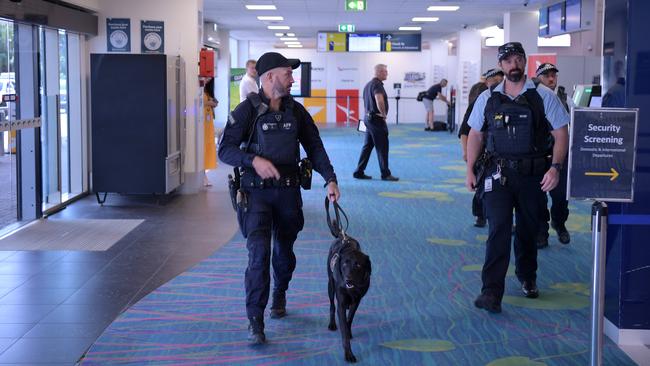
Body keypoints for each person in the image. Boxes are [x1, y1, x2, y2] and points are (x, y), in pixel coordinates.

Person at [218, 52, 340, 344]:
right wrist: (252, 160)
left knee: (284, 254)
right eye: (288, 73)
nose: (293, 78)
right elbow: (225, 150)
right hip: (255, 194)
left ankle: (280, 292)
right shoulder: (246, 110)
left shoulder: (296, 112)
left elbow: (314, 146)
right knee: (258, 256)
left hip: (287, 193)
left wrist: (330, 179)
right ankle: (255, 321)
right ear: (270, 76)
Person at [465, 42, 569, 313]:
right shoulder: (487, 97)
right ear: (501, 65)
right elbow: (475, 133)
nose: (514, 65)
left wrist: (555, 168)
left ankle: (527, 276)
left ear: (525, 62)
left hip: (533, 176)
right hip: (497, 174)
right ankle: (491, 291)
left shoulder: (544, 96)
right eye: (508, 60)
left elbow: (561, 133)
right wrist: (470, 168)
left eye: (518, 59)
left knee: (527, 230)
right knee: (498, 228)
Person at [458, 68, 503, 227]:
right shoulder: (480, 100)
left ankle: (497, 218)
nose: (497, 83)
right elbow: (465, 132)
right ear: (487, 82)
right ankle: (480, 215)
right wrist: (467, 153)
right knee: (481, 186)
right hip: (481, 152)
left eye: (500, 79)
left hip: (500, 153)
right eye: (493, 80)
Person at [535, 63, 572, 248]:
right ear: (538, 78)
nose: (551, 79)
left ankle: (559, 223)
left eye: (553, 76)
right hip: (540, 156)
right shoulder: (535, 98)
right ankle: (541, 232)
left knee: (560, 196)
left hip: (559, 156)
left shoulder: (564, 98)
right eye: (546, 76)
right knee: (538, 197)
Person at [353, 64, 399, 181]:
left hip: (368, 120)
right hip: (376, 121)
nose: (387, 74)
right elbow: (379, 99)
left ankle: (359, 171)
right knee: (382, 147)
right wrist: (383, 114)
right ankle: (385, 174)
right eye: (385, 72)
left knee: (367, 147)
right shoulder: (377, 85)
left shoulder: (368, 85)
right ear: (379, 72)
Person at [203, 77, 218, 186]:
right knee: (202, 148)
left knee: (207, 147)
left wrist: (210, 102)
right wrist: (209, 102)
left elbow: (213, 103)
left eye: (209, 78)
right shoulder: (199, 89)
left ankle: (204, 176)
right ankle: (203, 177)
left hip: (207, 125)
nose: (207, 79)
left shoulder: (206, 90)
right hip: (202, 124)